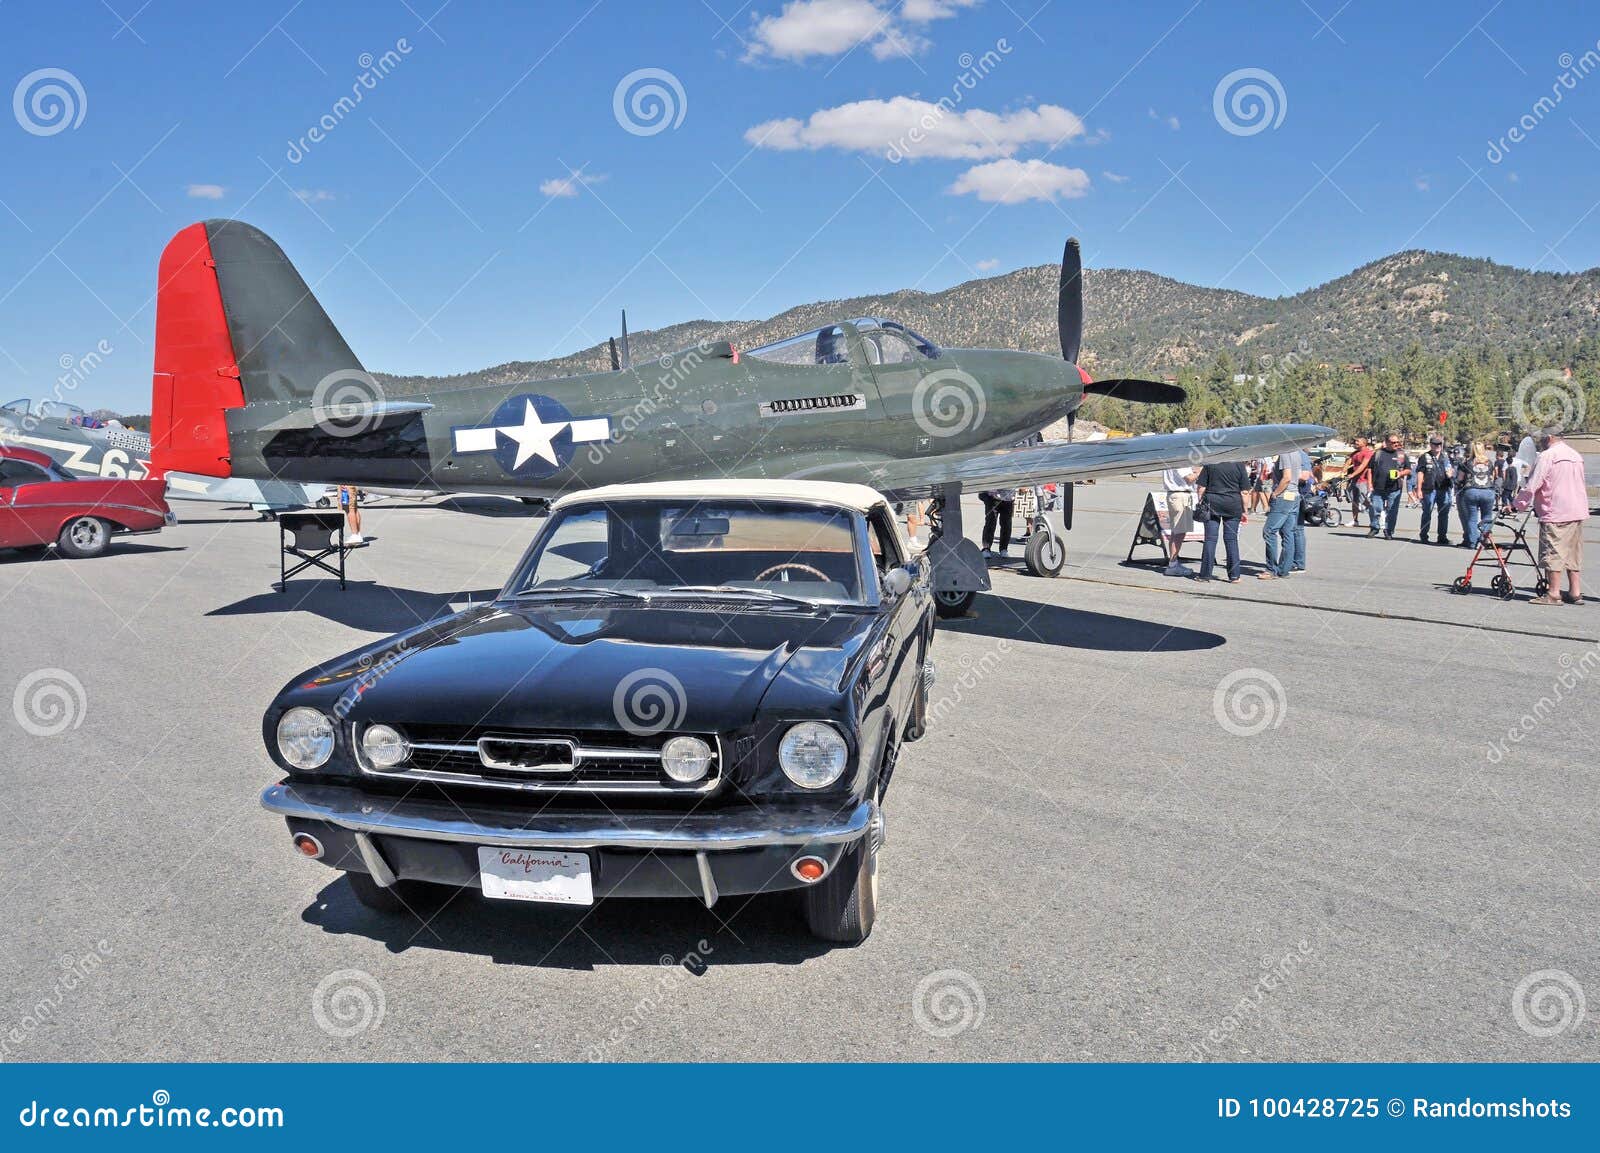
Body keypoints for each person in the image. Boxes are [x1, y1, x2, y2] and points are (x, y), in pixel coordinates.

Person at [1516, 426, 1588, 606]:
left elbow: (1533, 484)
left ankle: (1554, 594)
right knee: (1573, 553)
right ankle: (1575, 592)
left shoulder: (1547, 456)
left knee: (1553, 552)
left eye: (1541, 439)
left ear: (1549, 438)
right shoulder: (1575, 455)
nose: (1539, 442)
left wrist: (1517, 505)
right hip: (1577, 510)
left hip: (1555, 510)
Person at [1194, 458, 1248, 582]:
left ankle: (1205, 575)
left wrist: (1200, 502)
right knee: (1231, 540)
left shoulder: (1211, 463)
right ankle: (1234, 575)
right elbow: (1245, 491)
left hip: (1213, 502)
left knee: (1210, 539)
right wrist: (1245, 510)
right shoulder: (1239, 464)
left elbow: (1201, 487)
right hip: (1233, 503)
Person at [1259, 448, 1301, 579]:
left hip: (1284, 496)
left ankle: (1271, 569)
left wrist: (1275, 493)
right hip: (1294, 495)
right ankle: (1284, 569)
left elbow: (1287, 477)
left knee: (1269, 531)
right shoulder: (1296, 452)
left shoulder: (1285, 453)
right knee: (1288, 533)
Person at [1367, 432, 1412, 539]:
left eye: (1397, 442)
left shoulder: (1401, 455)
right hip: (1378, 487)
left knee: (1392, 511)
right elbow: (1369, 469)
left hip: (1394, 488)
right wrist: (1369, 484)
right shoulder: (1378, 454)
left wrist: (1400, 474)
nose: (1396, 444)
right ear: (1386, 442)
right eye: (1393, 442)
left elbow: (1408, 470)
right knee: (1375, 508)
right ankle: (1374, 528)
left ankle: (1389, 530)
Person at [1412, 434, 1454, 545]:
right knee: (1427, 512)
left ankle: (1442, 536)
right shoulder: (1424, 457)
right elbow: (1420, 473)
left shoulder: (1445, 457)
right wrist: (1419, 489)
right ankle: (1424, 535)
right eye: (1435, 444)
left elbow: (1450, 469)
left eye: (1439, 444)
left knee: (1444, 513)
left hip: (1444, 488)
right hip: (1429, 489)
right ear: (1431, 445)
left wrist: (1451, 474)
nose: (1438, 446)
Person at [1458, 441, 1498, 548]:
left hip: (1471, 491)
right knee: (1487, 516)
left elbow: (1460, 478)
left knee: (1472, 517)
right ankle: (1485, 538)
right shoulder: (1489, 462)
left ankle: (1472, 542)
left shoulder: (1467, 462)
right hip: (1488, 491)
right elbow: (1493, 477)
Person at [1162, 463, 1199, 576]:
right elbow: (1189, 479)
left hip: (1178, 495)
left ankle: (1173, 562)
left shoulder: (1174, 458)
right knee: (1179, 532)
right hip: (1180, 495)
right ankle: (1173, 564)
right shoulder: (1180, 461)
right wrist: (1200, 471)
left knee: (1177, 532)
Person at [1342, 436, 1374, 524]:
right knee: (1354, 500)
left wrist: (1353, 474)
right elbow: (1348, 462)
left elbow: (1363, 465)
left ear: (1364, 443)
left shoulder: (1368, 453)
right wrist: (1343, 471)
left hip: (1364, 480)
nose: (1356, 443)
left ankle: (1374, 520)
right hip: (1354, 480)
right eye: (1355, 441)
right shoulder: (1355, 453)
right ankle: (1355, 520)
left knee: (1365, 501)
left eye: (1358, 441)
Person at [979, 488, 1014, 561]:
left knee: (1006, 524)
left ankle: (1004, 549)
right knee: (990, 523)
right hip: (992, 496)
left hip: (1008, 498)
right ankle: (986, 548)